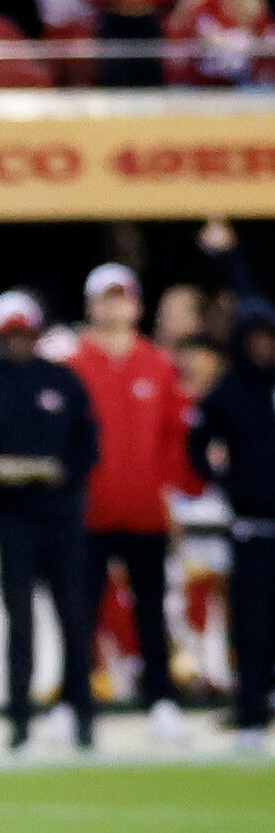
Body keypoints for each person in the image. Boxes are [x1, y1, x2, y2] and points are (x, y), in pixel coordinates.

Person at [0, 291, 99, 753]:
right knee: (19, 621)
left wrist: (64, 474)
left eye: (25, 333)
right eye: (10, 334)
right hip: (13, 518)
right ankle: (19, 719)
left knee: (74, 618)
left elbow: (88, 446)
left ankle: (82, 716)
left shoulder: (64, 381)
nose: (18, 342)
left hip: (62, 516)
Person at [71, 261, 193, 745]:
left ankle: (160, 700)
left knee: (151, 609)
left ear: (136, 304)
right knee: (80, 611)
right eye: (105, 297)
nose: (114, 305)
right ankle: (75, 702)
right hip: (88, 510)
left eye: (121, 296)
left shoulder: (158, 366)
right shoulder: (74, 365)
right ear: (90, 305)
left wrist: (173, 498)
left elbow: (173, 440)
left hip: (145, 511)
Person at [191, 302, 275, 751]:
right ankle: (250, 714)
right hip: (253, 523)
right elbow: (198, 441)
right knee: (253, 624)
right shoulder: (231, 390)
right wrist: (225, 479)